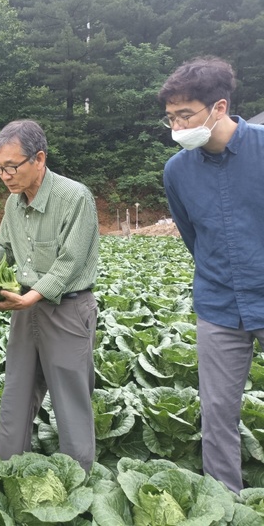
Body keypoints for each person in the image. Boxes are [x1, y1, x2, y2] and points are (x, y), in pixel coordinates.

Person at [0, 119, 99, 472]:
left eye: (12, 166)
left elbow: (70, 262)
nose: (5, 176)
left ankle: (77, 477)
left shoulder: (75, 197)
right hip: (25, 308)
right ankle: (4, 470)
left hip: (67, 309)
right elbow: (8, 250)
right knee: (16, 393)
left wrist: (32, 296)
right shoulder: (13, 203)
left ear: (39, 158)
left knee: (70, 400)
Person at [158, 56, 264, 494]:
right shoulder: (176, 171)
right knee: (218, 410)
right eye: (170, 118)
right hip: (218, 306)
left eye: (186, 115)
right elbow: (192, 235)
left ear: (219, 108)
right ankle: (226, 502)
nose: (177, 127)